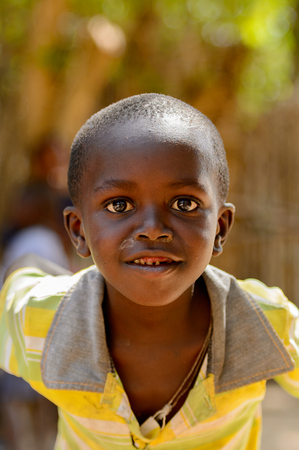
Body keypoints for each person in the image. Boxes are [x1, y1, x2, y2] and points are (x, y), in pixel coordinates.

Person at [0, 93, 298, 450]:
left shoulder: (265, 323)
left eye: (184, 204)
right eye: (120, 204)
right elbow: (19, 282)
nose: (153, 229)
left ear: (220, 228)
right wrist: (34, 267)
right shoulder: (39, 322)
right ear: (79, 232)